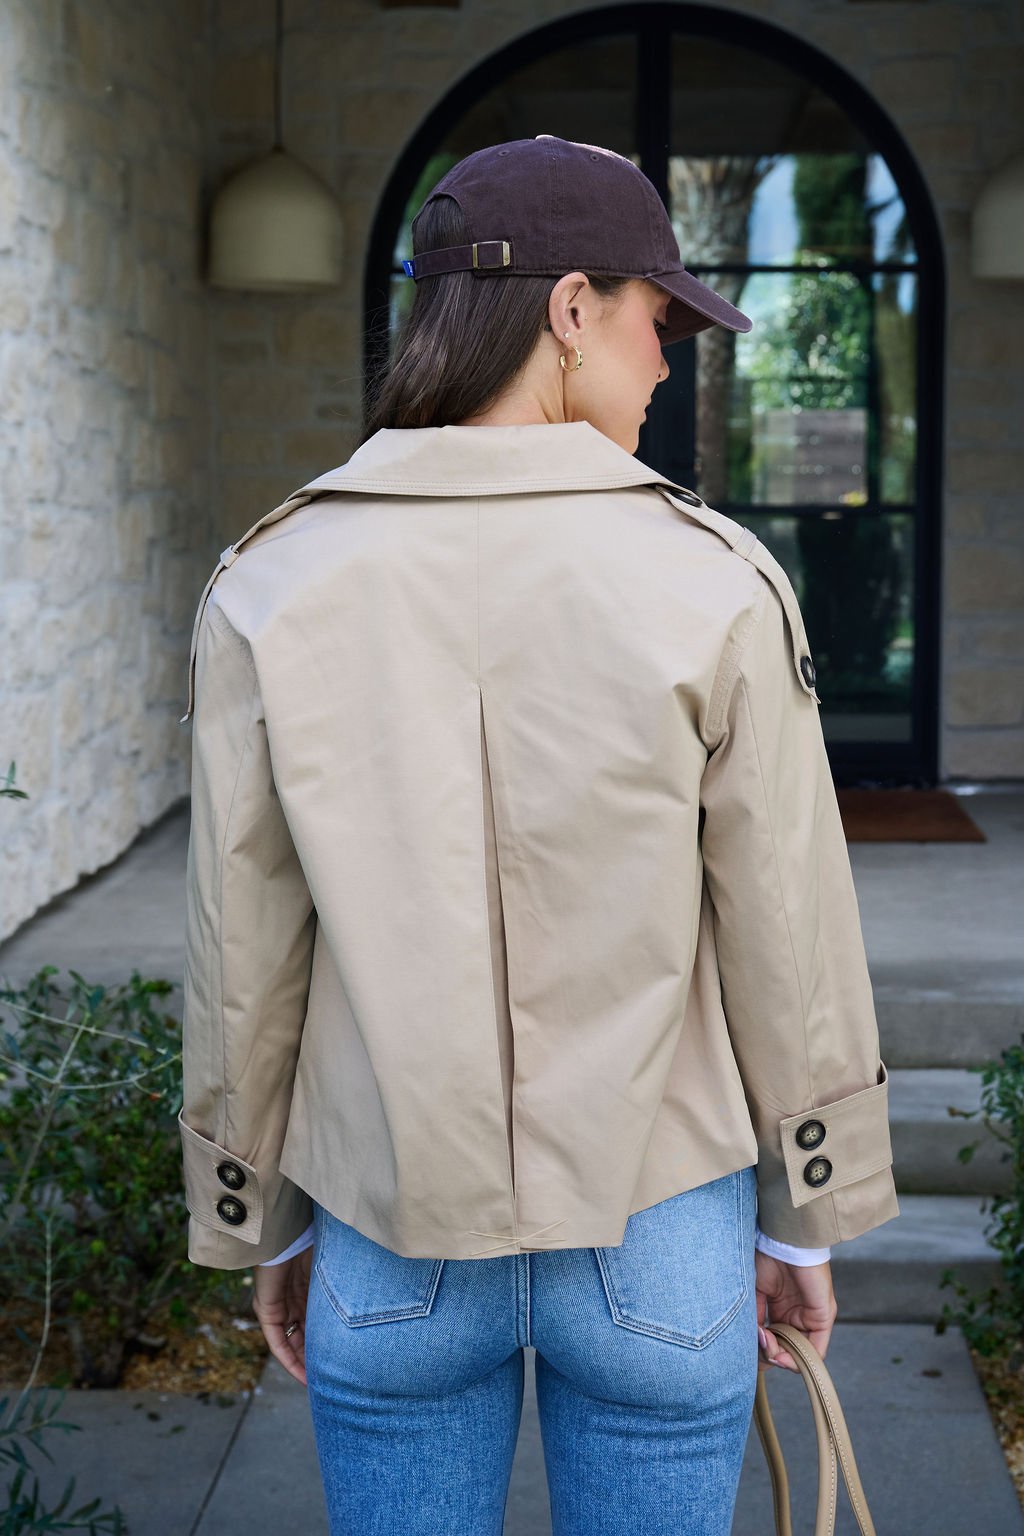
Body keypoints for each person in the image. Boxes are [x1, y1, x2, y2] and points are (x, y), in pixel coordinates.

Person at [177, 136, 899, 1535]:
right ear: (570, 310)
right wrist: (800, 1216)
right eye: (658, 318)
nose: (670, 360)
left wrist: (260, 1216)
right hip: (663, 1243)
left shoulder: (271, 579)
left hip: (389, 1240)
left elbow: (240, 952)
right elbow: (787, 937)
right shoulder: (715, 581)